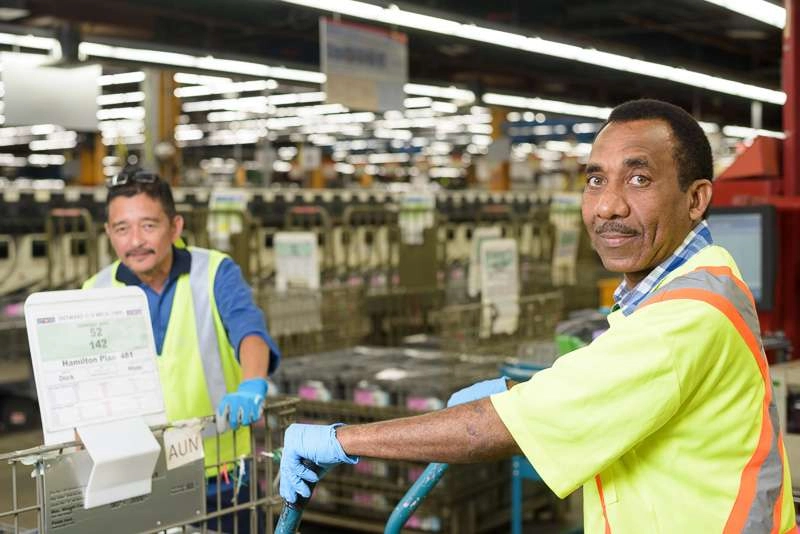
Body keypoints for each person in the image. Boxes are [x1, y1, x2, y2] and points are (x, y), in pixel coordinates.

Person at [279, 99, 797, 533]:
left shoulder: (690, 313)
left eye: (638, 179)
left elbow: (492, 432)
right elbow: (609, 376)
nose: (608, 206)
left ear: (696, 199)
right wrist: (509, 391)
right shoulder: (697, 283)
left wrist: (339, 439)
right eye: (596, 181)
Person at [83, 169, 280, 533]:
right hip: (137, 475)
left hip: (220, 473)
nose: (135, 241)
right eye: (122, 229)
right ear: (109, 233)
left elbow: (248, 330)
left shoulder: (214, 272)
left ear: (175, 227)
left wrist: (252, 384)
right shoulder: (95, 291)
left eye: (148, 225)